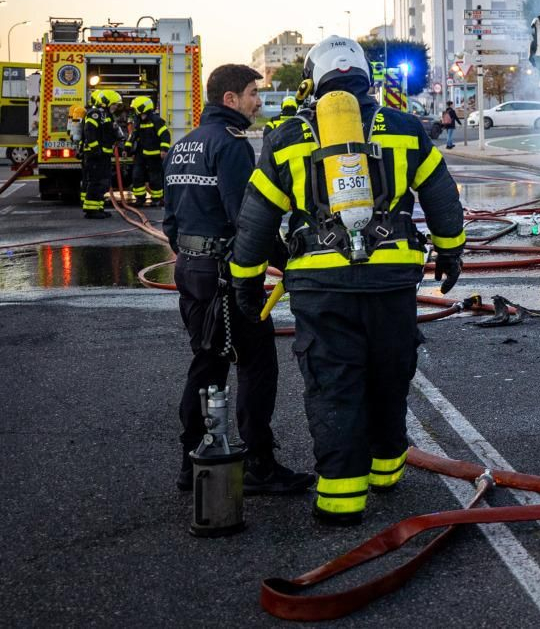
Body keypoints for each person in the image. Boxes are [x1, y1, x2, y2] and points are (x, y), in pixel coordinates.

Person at [229, 36, 465, 525]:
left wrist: (245, 281)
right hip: (391, 281)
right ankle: (386, 472)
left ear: (312, 81)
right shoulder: (404, 128)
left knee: (333, 384)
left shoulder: (287, 137)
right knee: (389, 373)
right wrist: (451, 252)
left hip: (321, 288)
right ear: (365, 78)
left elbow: (256, 220)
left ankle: (340, 499)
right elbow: (441, 195)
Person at [162, 64, 313, 496]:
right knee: (256, 364)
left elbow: (170, 221)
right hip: (224, 276)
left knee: (207, 362)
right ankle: (259, 464)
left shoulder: (184, 145)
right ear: (230, 99)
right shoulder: (231, 145)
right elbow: (248, 220)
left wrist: (192, 258)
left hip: (190, 269)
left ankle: (192, 462)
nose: (258, 102)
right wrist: (287, 261)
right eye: (251, 94)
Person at [80, 89, 120, 219]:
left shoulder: (107, 115)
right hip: (96, 155)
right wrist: (96, 149)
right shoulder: (95, 113)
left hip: (104, 154)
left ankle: (98, 207)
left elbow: (109, 132)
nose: (116, 106)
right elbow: (89, 131)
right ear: (106, 102)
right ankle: (91, 210)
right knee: (95, 181)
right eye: (114, 104)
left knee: (103, 182)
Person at [127, 95, 172, 206]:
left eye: (136, 108)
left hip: (154, 155)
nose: (134, 111)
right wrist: (127, 148)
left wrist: (164, 149)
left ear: (142, 108)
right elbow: (133, 135)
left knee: (155, 178)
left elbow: (165, 135)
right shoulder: (138, 121)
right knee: (137, 176)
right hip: (141, 154)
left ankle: (157, 199)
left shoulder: (156, 120)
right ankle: (140, 199)